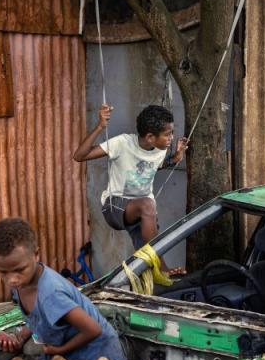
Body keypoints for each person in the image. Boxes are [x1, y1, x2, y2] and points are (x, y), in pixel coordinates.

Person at [0, 217, 125, 360]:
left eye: (19, 270)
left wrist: (59, 351)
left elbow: (93, 330)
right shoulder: (21, 284)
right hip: (74, 354)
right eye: (3, 272)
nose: (12, 279)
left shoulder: (51, 293)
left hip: (100, 357)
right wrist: (20, 337)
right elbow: (39, 319)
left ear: (36, 254)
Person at [72, 103, 188, 273]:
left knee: (144, 263)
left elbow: (154, 165)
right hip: (115, 207)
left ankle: (158, 275)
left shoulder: (159, 149)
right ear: (150, 137)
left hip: (141, 214)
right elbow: (79, 156)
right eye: (167, 134)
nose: (171, 138)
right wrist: (99, 127)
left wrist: (176, 157)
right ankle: (162, 268)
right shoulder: (122, 143)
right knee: (148, 205)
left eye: (171, 133)